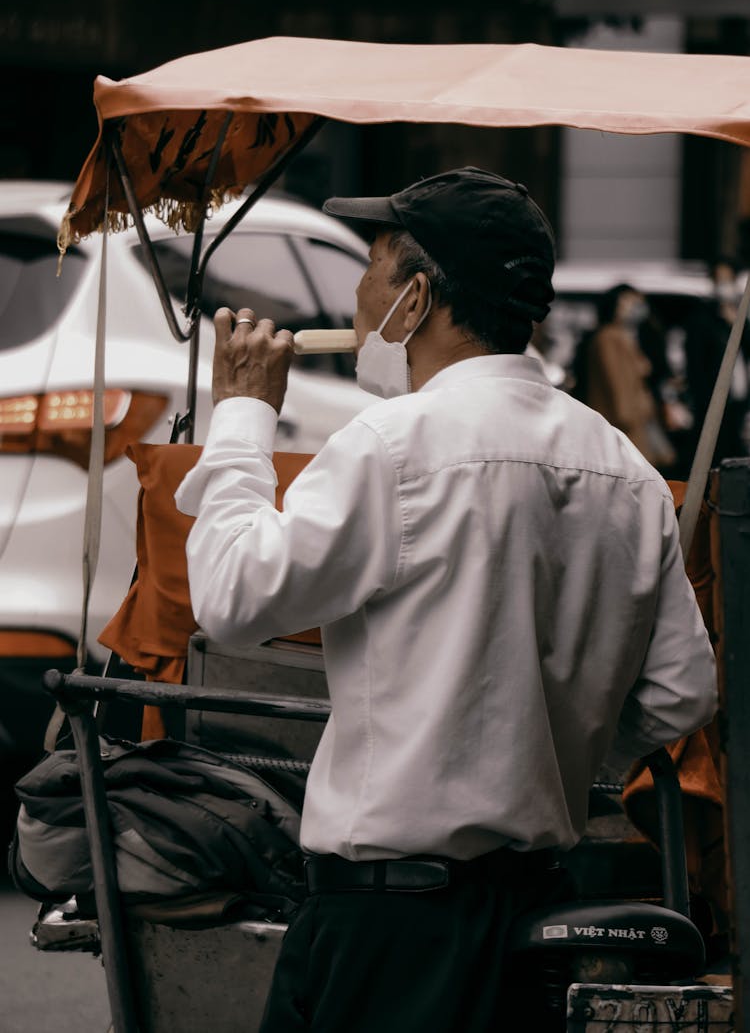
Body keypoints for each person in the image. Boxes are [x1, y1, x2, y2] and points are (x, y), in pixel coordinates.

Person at [175, 167, 717, 1033]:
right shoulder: (624, 466)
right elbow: (682, 689)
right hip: (539, 908)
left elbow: (233, 598)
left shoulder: (392, 446)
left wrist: (242, 416)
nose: (356, 300)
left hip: (392, 925)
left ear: (415, 298)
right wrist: (550, 744)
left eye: (371, 270)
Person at [574, 283, 677, 472]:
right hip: (627, 424)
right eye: (627, 302)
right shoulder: (611, 337)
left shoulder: (620, 336)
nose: (634, 307)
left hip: (629, 421)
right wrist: (629, 419)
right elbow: (618, 387)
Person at [684, 259, 750, 466]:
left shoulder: (739, 317)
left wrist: (735, 323)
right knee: (715, 458)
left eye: (727, 279)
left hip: (738, 402)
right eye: (719, 279)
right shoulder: (702, 320)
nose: (724, 284)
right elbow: (696, 365)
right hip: (713, 403)